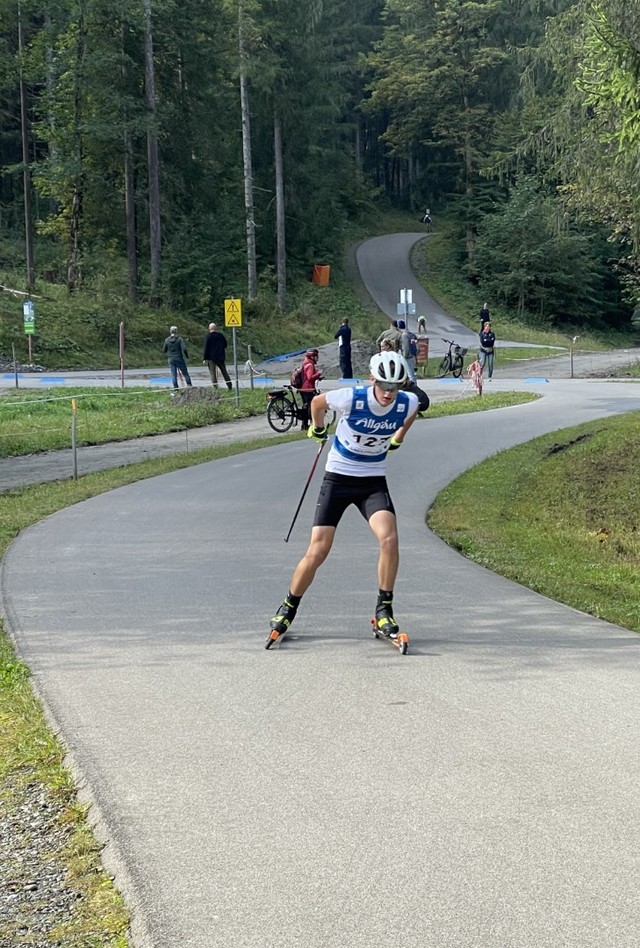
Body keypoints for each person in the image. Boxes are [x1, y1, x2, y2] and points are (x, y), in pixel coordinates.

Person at [268, 351, 419, 642]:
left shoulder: (406, 402)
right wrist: (318, 428)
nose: (389, 393)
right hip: (338, 477)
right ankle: (288, 606)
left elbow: (412, 413)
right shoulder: (352, 398)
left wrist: (398, 438)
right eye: (384, 385)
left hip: (372, 482)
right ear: (373, 380)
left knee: (389, 538)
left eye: (395, 386)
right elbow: (317, 402)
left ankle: (384, 609)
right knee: (318, 551)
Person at [298, 348, 323, 430]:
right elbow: (310, 378)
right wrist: (318, 373)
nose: (317, 358)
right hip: (308, 389)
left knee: (306, 407)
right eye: (316, 356)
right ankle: (311, 425)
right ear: (312, 357)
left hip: (303, 388)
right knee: (312, 407)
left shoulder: (306, 363)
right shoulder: (310, 365)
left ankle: (305, 425)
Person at [203, 322, 232, 391]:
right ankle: (229, 385)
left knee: (212, 373)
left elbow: (206, 348)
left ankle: (215, 387)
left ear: (209, 328)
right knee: (224, 372)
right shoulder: (221, 335)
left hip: (211, 358)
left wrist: (205, 358)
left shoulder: (208, 336)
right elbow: (225, 345)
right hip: (220, 357)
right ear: (216, 328)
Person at [163, 326, 192, 392]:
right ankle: (189, 386)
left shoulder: (167, 340)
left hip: (171, 359)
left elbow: (164, 350)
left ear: (170, 331)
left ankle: (176, 389)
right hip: (179, 358)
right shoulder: (179, 339)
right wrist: (187, 356)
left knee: (173, 374)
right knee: (185, 373)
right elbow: (184, 349)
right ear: (176, 331)